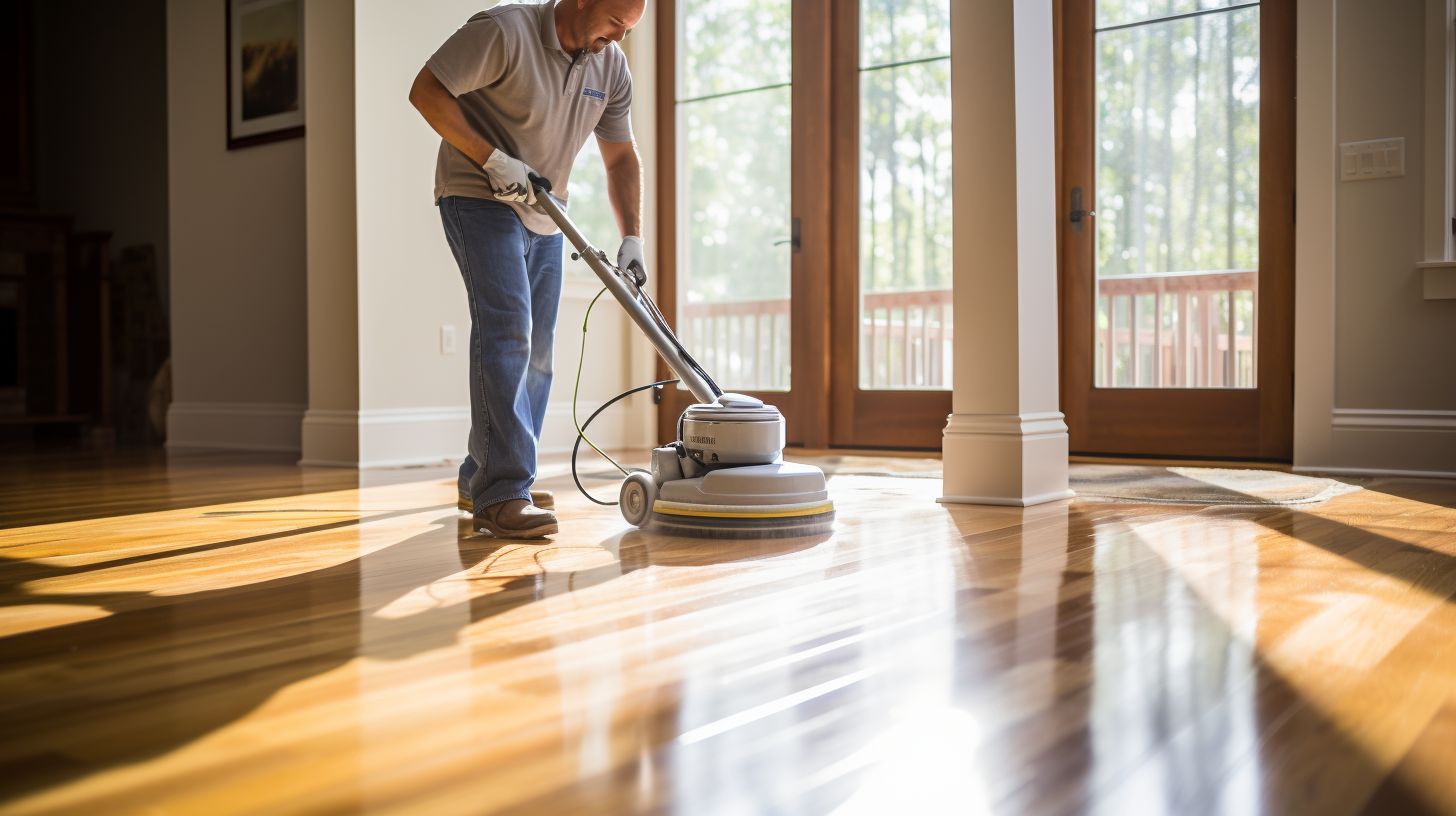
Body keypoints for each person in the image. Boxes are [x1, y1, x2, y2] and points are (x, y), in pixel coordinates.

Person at [409, 0, 647, 539]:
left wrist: (633, 235)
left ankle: (486, 475)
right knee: (507, 330)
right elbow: (426, 91)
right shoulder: (504, 31)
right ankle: (504, 492)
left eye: (631, 28)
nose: (620, 38)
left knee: (538, 352)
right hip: (476, 194)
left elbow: (620, 157)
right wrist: (491, 158)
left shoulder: (610, 66)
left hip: (546, 211)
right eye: (615, 21)